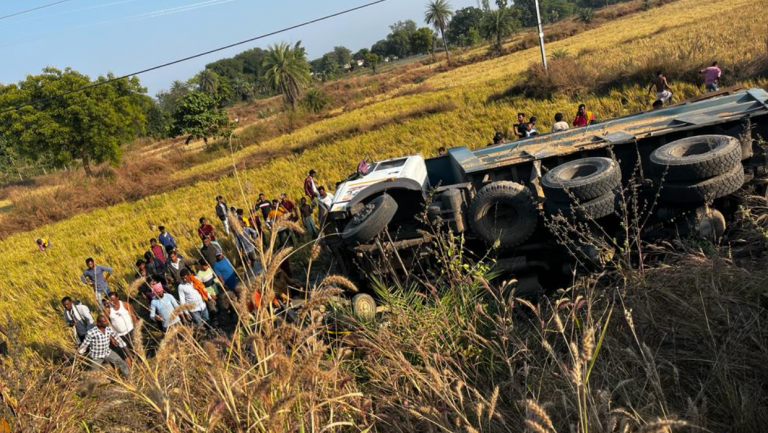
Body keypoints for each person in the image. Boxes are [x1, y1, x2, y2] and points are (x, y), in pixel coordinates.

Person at [103, 293, 138, 366]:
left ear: (117, 298)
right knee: (126, 350)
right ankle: (132, 363)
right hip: (119, 334)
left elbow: (133, 316)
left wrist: (137, 328)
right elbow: (106, 324)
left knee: (135, 347)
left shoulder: (125, 305)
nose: (112, 302)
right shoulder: (108, 310)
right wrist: (111, 337)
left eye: (113, 300)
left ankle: (140, 361)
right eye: (110, 300)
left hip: (130, 330)